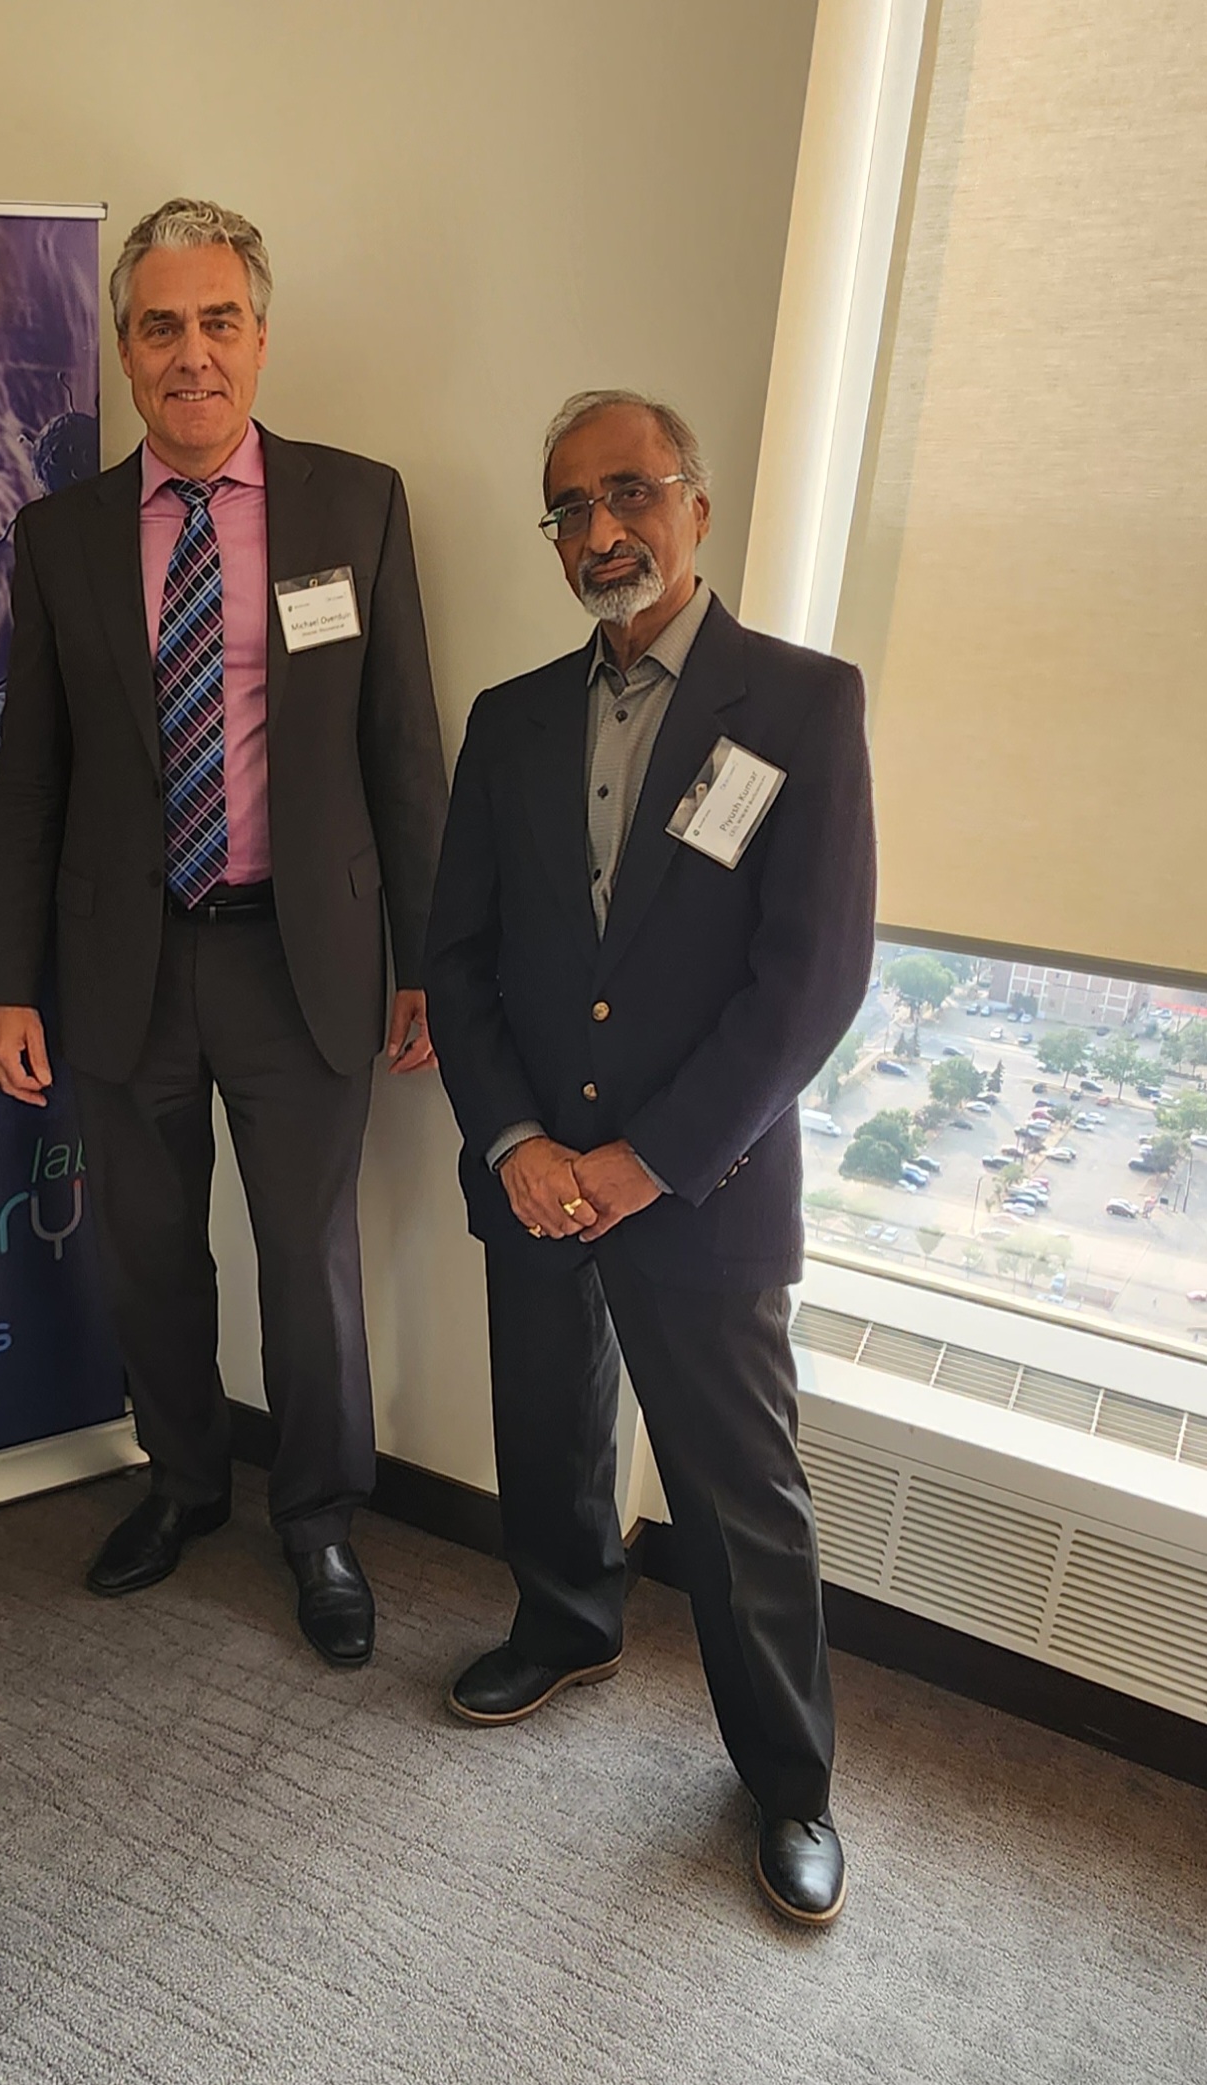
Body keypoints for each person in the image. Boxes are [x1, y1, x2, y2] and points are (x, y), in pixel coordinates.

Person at [424, 389, 875, 1924]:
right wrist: (516, 1140)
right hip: (537, 1169)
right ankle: (566, 1623)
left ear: (695, 504)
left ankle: (790, 1781)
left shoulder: (802, 706)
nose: (600, 530)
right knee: (547, 1424)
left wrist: (650, 1161)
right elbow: (461, 958)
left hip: (708, 1181)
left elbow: (809, 980)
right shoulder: (508, 719)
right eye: (569, 508)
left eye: (629, 493)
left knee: (741, 1493)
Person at [0, 199, 446, 1667]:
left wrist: (426, 957)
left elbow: (401, 749)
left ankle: (317, 1518)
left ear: (261, 334)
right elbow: (34, 774)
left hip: (300, 956)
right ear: (125, 347)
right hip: (127, 959)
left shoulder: (354, 504)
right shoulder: (57, 537)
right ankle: (184, 1481)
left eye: (219, 320)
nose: (193, 353)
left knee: (307, 1260)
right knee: (149, 1251)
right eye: (162, 325)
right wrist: (8, 983)